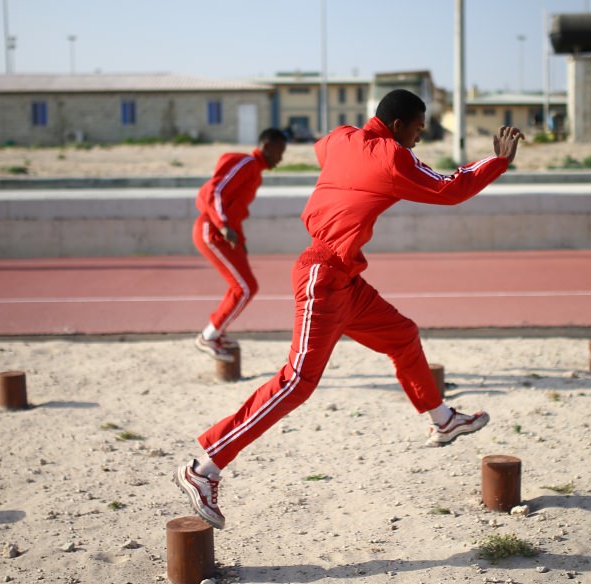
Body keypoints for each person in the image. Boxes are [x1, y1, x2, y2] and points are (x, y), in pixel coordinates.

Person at [175, 89, 525, 529]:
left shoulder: (340, 137)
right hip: (323, 275)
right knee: (296, 382)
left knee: (402, 334)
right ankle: (204, 468)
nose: (419, 137)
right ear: (399, 126)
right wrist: (497, 161)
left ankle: (442, 420)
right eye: (418, 128)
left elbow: (327, 152)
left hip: (344, 278)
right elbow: (450, 188)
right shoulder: (394, 156)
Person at [192, 128, 287, 362]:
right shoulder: (246, 163)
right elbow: (216, 191)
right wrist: (223, 225)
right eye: (280, 151)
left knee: (244, 286)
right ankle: (208, 336)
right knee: (244, 287)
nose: (281, 158)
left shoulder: (255, 172)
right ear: (267, 146)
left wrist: (240, 241)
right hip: (212, 230)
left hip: (224, 233)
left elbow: (236, 210)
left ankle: (215, 333)